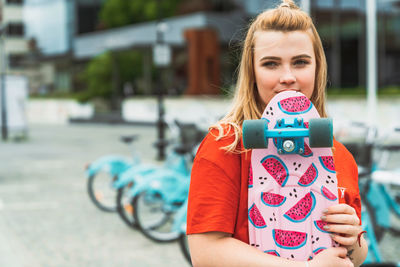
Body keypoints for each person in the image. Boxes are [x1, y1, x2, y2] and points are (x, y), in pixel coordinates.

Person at [186, 1, 368, 266]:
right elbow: (205, 254)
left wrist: (354, 238)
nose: (287, 77)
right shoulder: (225, 145)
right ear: (252, 72)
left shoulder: (338, 155)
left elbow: (358, 254)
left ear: (317, 69)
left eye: (300, 62)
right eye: (271, 64)